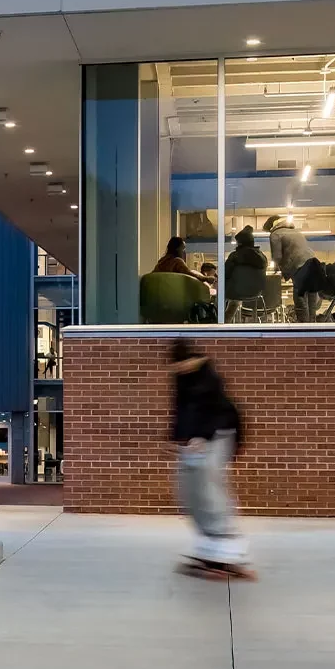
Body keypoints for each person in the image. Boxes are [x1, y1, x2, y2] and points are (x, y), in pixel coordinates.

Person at [167, 338, 253, 578]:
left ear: (193, 360)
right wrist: (175, 438)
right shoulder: (181, 378)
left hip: (220, 435)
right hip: (197, 439)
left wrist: (201, 437)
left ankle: (230, 549)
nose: (180, 370)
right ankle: (208, 547)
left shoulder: (209, 378)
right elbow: (181, 408)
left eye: (183, 365)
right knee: (188, 491)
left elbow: (216, 413)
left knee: (210, 489)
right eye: (176, 367)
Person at [141, 237, 214, 325]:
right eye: (183, 248)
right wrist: (206, 279)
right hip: (174, 302)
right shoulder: (177, 261)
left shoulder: (161, 262)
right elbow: (190, 274)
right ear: (177, 248)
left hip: (156, 302)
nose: (184, 251)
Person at [222, 226, 272, 321]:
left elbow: (225, 273)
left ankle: (220, 320)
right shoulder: (263, 257)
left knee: (225, 293)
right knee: (236, 295)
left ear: (240, 243)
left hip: (236, 292)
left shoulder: (234, 256)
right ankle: (226, 318)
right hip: (256, 293)